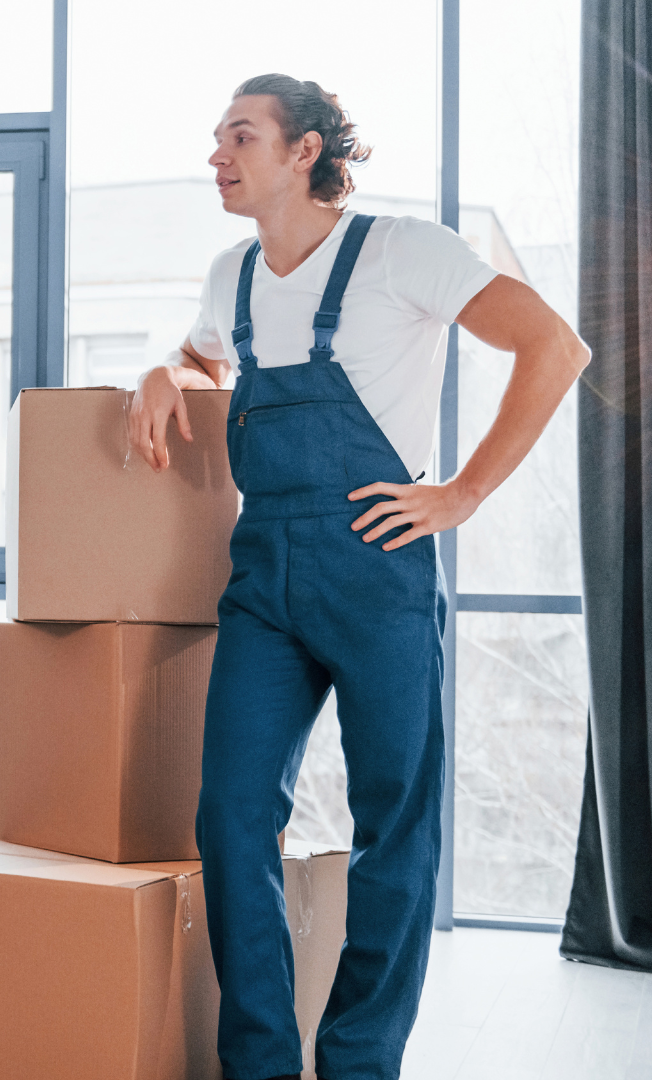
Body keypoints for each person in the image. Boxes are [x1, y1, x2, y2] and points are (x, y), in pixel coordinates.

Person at [127, 75, 589, 1080]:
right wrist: (169, 372)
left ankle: (359, 1061)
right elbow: (204, 361)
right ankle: (257, 1062)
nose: (217, 154)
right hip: (263, 580)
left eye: (238, 136)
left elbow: (554, 344)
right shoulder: (231, 275)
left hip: (377, 569)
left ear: (303, 151)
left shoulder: (401, 251)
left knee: (397, 828)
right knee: (230, 815)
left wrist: (462, 493)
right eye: (214, 137)